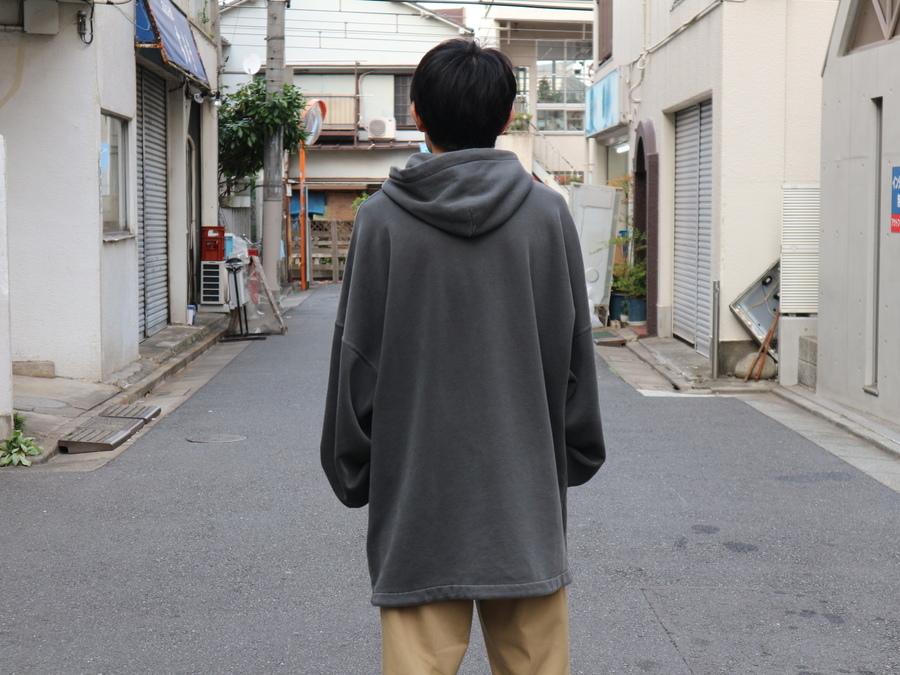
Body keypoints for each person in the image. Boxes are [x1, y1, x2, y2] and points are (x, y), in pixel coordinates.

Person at [320, 38, 606, 675]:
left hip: (417, 501)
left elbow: (356, 360)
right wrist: (571, 453)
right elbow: (574, 356)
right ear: (508, 116)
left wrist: (354, 470)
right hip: (523, 502)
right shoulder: (547, 216)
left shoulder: (381, 221)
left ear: (416, 114)